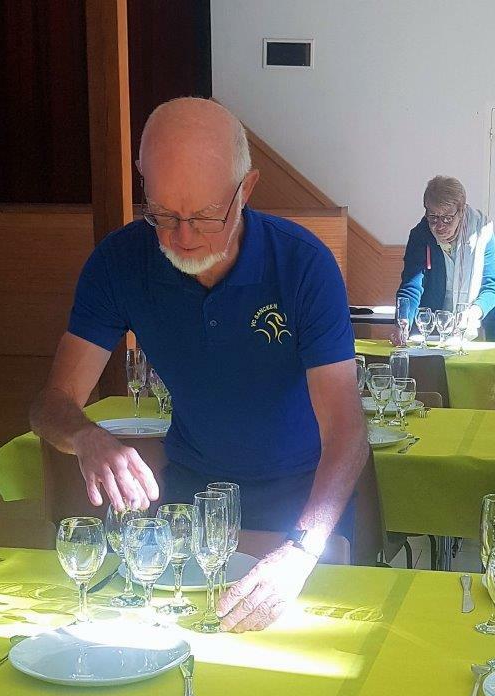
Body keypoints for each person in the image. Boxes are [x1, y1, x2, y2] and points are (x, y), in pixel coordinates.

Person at [30, 97, 369, 630]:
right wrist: (86, 436)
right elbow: (52, 403)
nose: (183, 238)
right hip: (192, 500)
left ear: (246, 190)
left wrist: (302, 549)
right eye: (163, 215)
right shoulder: (120, 262)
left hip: (303, 498)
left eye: (206, 216)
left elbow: (347, 431)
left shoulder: (302, 265)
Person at [392, 176, 495, 344]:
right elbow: (412, 285)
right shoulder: (420, 235)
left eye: (447, 218)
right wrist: (403, 319)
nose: (440, 225)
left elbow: (491, 285)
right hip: (437, 315)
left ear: (461, 211)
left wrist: (474, 312)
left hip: (481, 316)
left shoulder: (481, 231)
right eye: (433, 217)